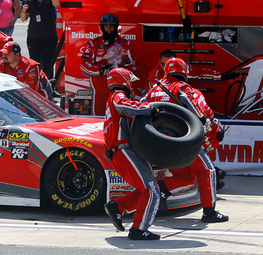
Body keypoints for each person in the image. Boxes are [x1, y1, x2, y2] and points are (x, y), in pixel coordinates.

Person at [144, 58, 228, 223]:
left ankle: (160, 190)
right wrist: (206, 122)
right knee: (207, 171)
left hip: (158, 143)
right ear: (184, 72)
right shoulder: (183, 88)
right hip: (183, 142)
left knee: (187, 178)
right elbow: (198, 110)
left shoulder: (153, 90)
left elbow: (140, 106)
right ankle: (209, 212)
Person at [102, 68, 162, 241]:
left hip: (119, 152)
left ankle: (117, 206)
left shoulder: (110, 99)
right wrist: (148, 108)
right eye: (131, 81)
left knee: (148, 189)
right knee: (151, 191)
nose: (133, 86)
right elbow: (124, 105)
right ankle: (139, 229)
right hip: (124, 150)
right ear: (123, 80)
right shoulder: (118, 95)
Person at [79, 14, 140, 115]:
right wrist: (101, 70)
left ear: (116, 27)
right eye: (106, 26)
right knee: (99, 116)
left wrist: (122, 70)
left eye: (111, 26)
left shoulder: (125, 43)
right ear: (102, 27)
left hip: (120, 87)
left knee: (119, 115)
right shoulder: (93, 43)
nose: (109, 29)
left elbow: (136, 65)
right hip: (100, 88)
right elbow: (84, 64)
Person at [20, 0, 59, 81]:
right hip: (34, 37)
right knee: (34, 62)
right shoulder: (30, 1)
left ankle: (48, 85)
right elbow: (23, 19)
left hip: (49, 36)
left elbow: (57, 3)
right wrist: (23, 11)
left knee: (49, 63)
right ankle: (35, 84)